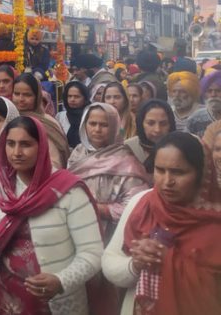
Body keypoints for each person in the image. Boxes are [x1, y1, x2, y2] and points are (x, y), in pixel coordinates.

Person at [0, 116, 103, 315]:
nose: (16, 153)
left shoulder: (68, 191)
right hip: (1, 297)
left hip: (53, 303)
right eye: (10, 144)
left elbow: (93, 253)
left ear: (42, 146)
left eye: (26, 144)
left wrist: (61, 280)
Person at [102, 132, 221, 315]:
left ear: (201, 173)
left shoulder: (215, 220)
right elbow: (110, 262)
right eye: (160, 170)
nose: (167, 182)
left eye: (178, 172)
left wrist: (168, 259)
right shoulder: (142, 204)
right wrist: (135, 265)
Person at [67, 103, 151, 242]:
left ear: (114, 127)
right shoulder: (78, 153)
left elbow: (135, 207)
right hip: (75, 229)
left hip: (112, 235)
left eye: (104, 125)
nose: (97, 129)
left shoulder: (125, 160)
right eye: (92, 123)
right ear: (84, 125)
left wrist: (97, 208)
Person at [12, 73, 69, 168]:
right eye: (17, 94)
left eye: (27, 95)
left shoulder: (47, 122)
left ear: (37, 97)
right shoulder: (11, 119)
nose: (21, 99)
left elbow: (55, 162)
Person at [124, 99, 176, 172]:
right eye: (150, 123)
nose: (157, 129)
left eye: (163, 124)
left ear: (171, 124)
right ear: (141, 124)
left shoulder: (179, 148)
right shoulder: (128, 148)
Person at [185, 70, 221, 137]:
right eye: (209, 91)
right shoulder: (195, 119)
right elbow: (187, 144)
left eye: (218, 91)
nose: (213, 94)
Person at [56, 81, 90, 150]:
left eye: (77, 96)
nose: (72, 99)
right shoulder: (60, 116)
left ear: (85, 98)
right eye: (69, 96)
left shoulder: (90, 115)